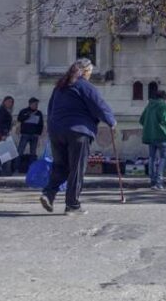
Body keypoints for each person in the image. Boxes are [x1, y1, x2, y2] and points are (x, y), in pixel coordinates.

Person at [40, 58, 116, 215]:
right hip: (78, 132)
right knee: (77, 168)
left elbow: (50, 108)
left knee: (60, 166)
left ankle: (48, 194)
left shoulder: (60, 86)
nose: (90, 75)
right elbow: (99, 105)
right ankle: (72, 205)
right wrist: (111, 121)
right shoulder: (84, 85)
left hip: (57, 131)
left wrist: (52, 128)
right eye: (90, 72)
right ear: (86, 71)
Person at [139, 90, 166, 190]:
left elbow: (141, 120)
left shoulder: (149, 105)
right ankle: (159, 182)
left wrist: (150, 127)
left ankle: (152, 181)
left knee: (151, 157)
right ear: (163, 98)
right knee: (163, 158)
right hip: (161, 136)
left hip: (150, 136)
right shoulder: (162, 105)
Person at [16, 97, 44, 174]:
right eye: (35, 104)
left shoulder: (39, 113)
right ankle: (17, 168)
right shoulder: (24, 111)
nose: (36, 106)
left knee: (33, 153)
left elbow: (41, 124)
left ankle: (32, 170)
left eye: (37, 104)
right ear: (30, 104)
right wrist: (28, 115)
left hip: (34, 135)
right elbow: (19, 119)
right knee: (20, 151)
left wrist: (39, 134)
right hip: (25, 134)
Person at [0, 96, 15, 177]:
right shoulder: (1, 111)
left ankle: (1, 171)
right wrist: (3, 134)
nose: (10, 103)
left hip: (4, 133)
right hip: (3, 133)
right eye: (9, 101)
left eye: (11, 102)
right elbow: (2, 123)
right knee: (2, 154)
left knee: (4, 153)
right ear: (4, 101)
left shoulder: (6, 111)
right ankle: (1, 171)